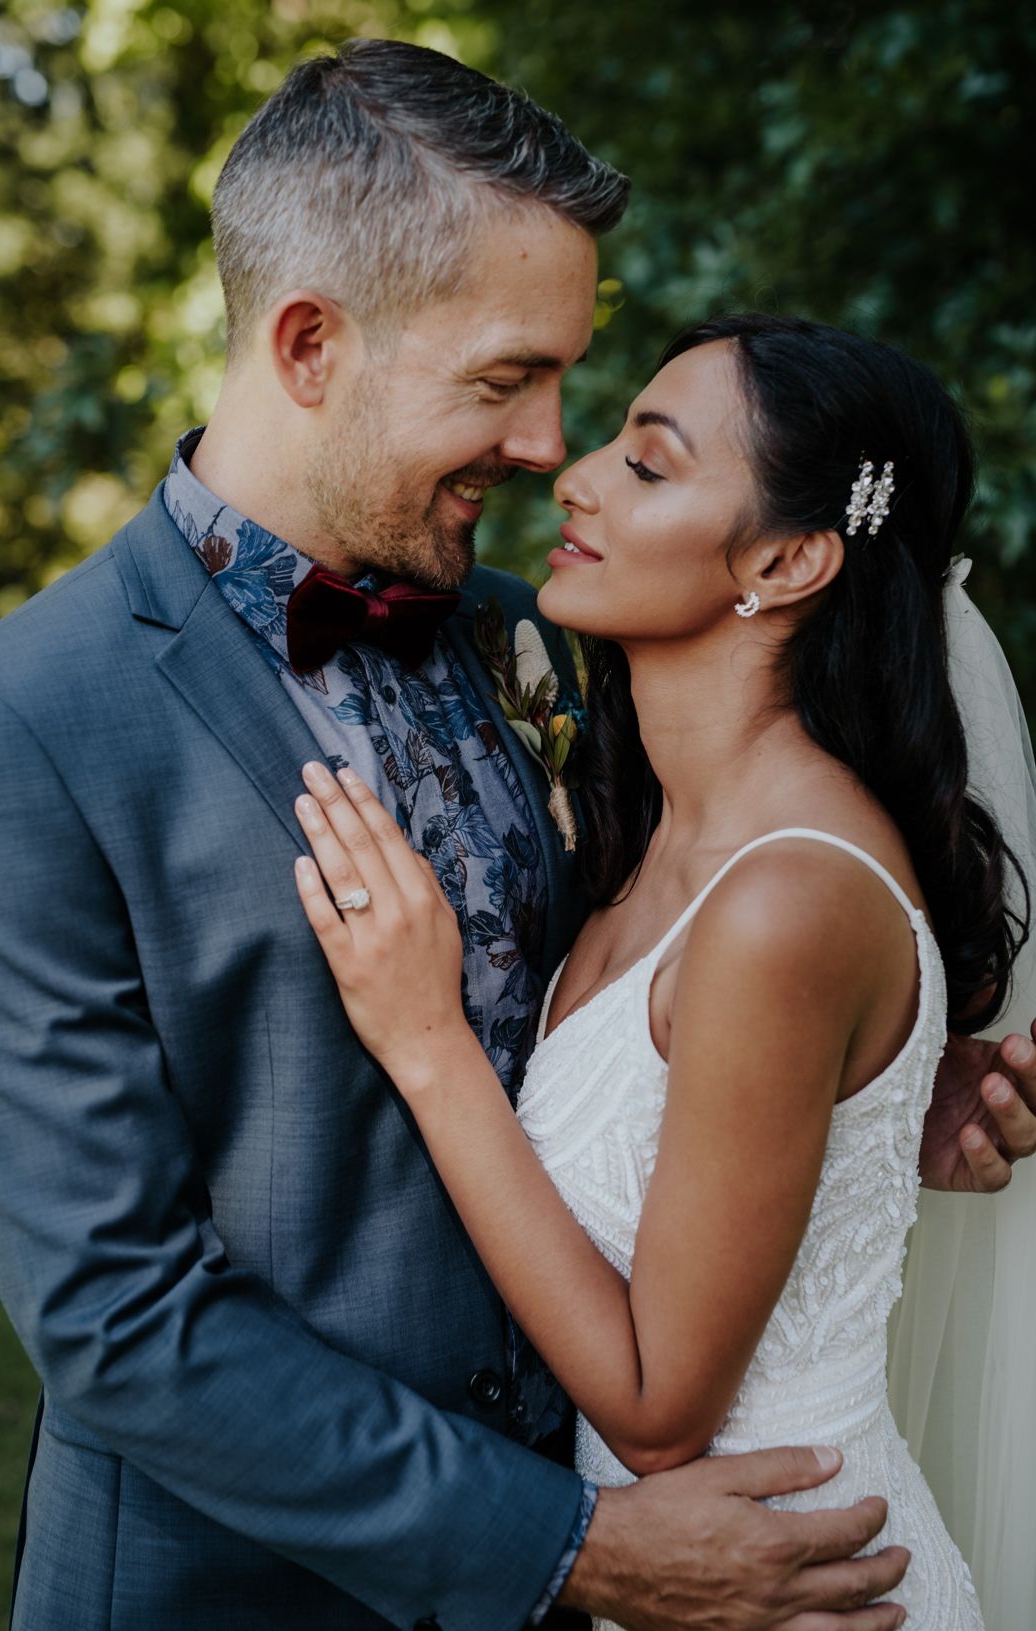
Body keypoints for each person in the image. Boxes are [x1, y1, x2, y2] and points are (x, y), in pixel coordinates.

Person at [0, 40, 1036, 1631]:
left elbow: (704, 986)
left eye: (571, 385)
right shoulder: (25, 721)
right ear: (312, 343)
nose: (547, 448)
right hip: (254, 1595)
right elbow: (118, 1320)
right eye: (505, 379)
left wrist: (857, 1105)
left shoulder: (557, 647)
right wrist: (567, 1550)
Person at [293, 314, 1011, 1629]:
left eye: (650, 463)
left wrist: (428, 1041)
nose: (573, 476)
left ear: (787, 560)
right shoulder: (663, 835)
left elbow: (659, 1405)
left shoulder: (784, 900)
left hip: (803, 1581)